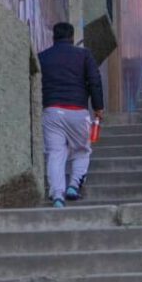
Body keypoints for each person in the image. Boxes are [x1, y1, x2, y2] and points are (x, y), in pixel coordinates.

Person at [38, 22, 104, 208]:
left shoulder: (43, 57)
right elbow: (94, 81)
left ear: (54, 36)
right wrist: (98, 107)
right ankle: (74, 186)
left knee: (55, 153)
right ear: (72, 37)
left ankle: (57, 195)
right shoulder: (84, 55)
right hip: (78, 111)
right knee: (82, 150)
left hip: (51, 111)